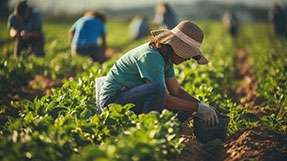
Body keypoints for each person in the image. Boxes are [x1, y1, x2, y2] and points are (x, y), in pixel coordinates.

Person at [99, 20, 219, 125]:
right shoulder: (151, 56)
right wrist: (197, 108)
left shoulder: (166, 57)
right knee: (157, 90)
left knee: (184, 107)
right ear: (176, 47)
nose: (188, 58)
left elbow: (176, 91)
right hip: (113, 100)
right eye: (188, 54)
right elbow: (163, 97)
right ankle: (148, 127)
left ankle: (163, 129)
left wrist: (202, 106)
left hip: (130, 96)